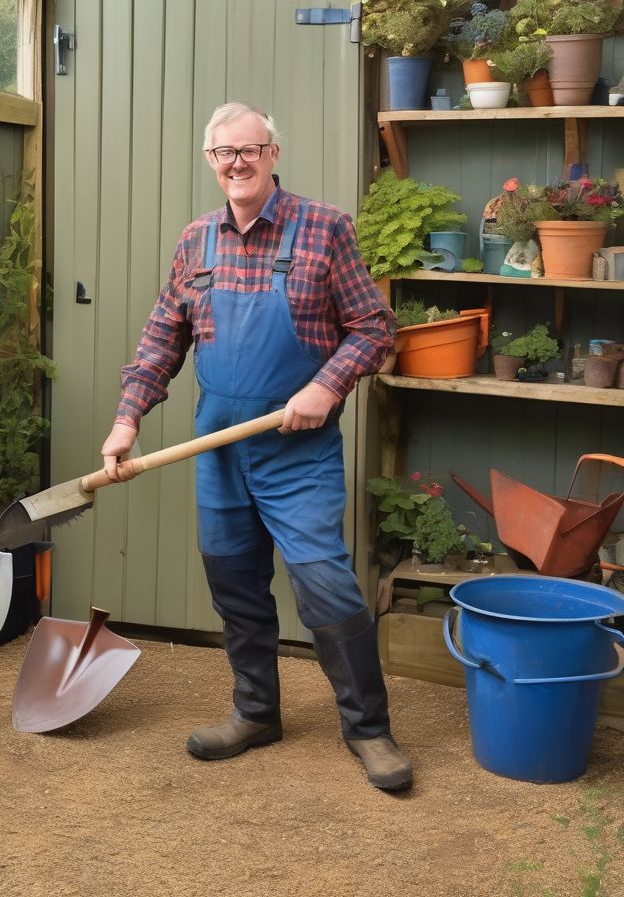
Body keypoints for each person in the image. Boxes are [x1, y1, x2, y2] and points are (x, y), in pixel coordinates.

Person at [100, 101, 411, 792]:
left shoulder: (324, 229)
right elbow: (161, 340)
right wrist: (128, 420)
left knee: (325, 585)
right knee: (235, 586)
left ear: (273, 154)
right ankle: (255, 712)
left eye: (250, 150)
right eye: (223, 153)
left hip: (297, 452)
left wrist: (327, 388)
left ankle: (369, 729)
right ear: (211, 161)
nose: (236, 163)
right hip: (220, 449)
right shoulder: (195, 242)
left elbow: (373, 328)